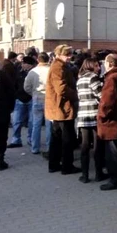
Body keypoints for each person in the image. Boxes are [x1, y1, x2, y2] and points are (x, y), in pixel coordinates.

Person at [45, 45, 81, 175]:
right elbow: (61, 88)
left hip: (58, 107)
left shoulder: (59, 66)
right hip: (62, 107)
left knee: (57, 137)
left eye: (70, 54)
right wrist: (77, 94)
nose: (70, 57)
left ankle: (54, 164)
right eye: (67, 55)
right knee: (66, 138)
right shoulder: (58, 67)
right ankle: (67, 166)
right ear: (59, 54)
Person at [97, 54, 117, 191]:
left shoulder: (111, 78)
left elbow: (107, 100)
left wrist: (102, 115)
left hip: (111, 121)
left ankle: (115, 179)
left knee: (112, 152)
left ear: (109, 63)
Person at [76, 58, 104, 183]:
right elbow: (100, 95)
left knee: (85, 146)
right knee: (97, 146)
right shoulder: (93, 78)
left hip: (82, 114)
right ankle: (99, 174)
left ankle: (85, 175)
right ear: (91, 66)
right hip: (93, 113)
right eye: (97, 65)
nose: (99, 67)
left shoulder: (80, 78)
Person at [24, 52, 51, 155]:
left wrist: (33, 93)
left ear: (38, 60)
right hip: (49, 99)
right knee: (49, 125)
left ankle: (35, 147)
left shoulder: (32, 72)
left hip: (36, 98)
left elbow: (26, 87)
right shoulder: (51, 70)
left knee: (36, 124)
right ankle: (49, 147)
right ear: (48, 60)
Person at [8, 56, 36, 148]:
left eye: (24, 63)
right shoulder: (19, 72)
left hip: (32, 99)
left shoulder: (35, 73)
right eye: (22, 63)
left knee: (32, 121)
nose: (22, 65)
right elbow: (14, 84)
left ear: (30, 65)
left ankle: (31, 139)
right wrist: (16, 95)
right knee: (16, 121)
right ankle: (16, 140)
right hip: (20, 99)